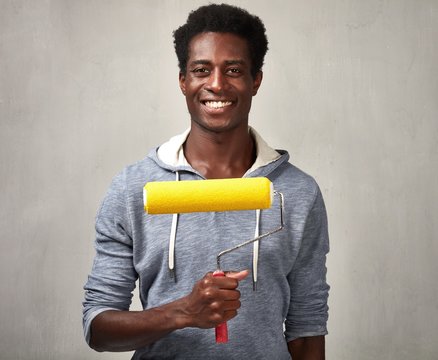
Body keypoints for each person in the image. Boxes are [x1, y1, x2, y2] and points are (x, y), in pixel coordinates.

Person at [83, 4, 329, 359]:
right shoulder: (134, 188)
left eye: (233, 70)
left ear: (255, 80)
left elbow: (307, 329)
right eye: (201, 70)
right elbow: (98, 328)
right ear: (183, 80)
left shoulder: (297, 192)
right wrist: (182, 312)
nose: (216, 84)